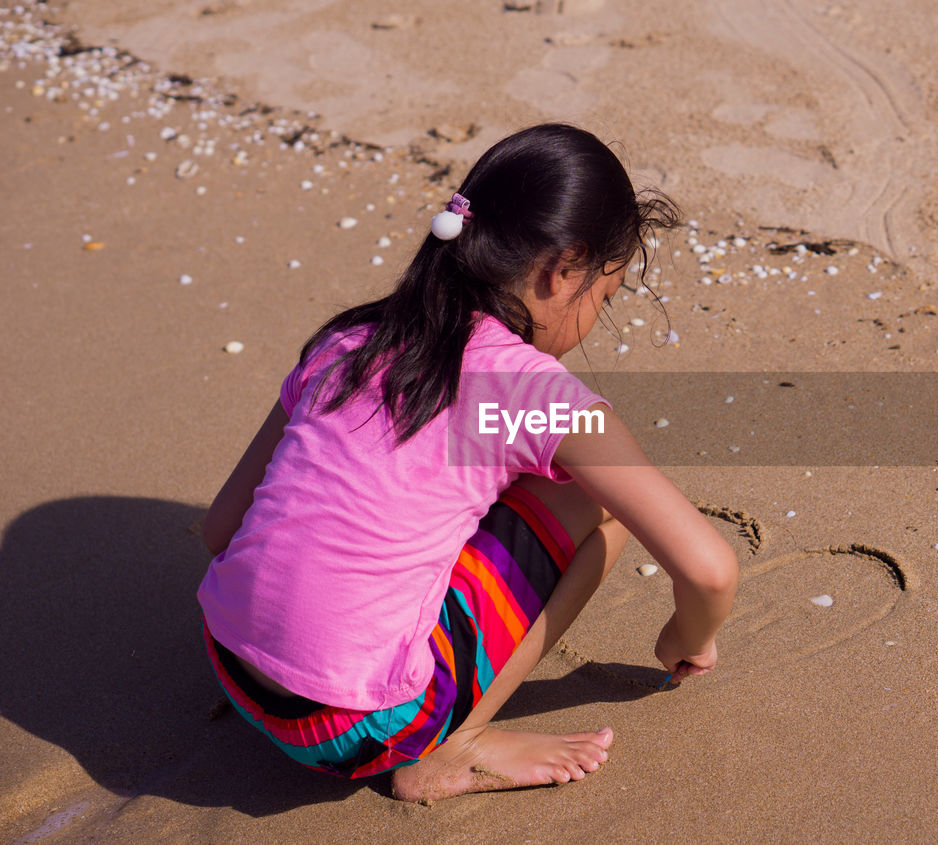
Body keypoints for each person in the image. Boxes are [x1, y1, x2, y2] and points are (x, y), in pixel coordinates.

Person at [196, 123, 739, 804]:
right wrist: (687, 636)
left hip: (231, 664)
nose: (597, 314)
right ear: (562, 270)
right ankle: (460, 744)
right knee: (594, 502)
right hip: (355, 728)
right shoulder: (523, 390)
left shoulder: (350, 339)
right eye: (605, 293)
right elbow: (710, 568)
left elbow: (220, 530)